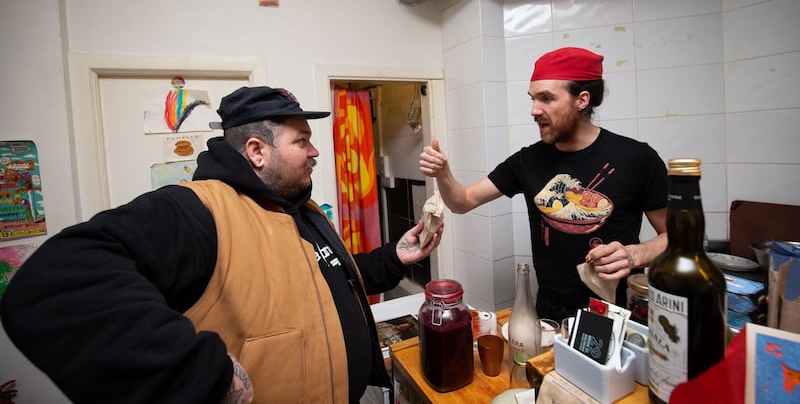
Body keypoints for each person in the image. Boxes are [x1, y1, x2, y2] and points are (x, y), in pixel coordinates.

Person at [1, 86, 443, 404]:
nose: (314, 152)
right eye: (301, 141)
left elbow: (325, 283)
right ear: (256, 151)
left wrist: (393, 258)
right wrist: (203, 377)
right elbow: (54, 285)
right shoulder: (197, 211)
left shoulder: (303, 210)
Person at [419, 47, 668, 322]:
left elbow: (678, 238)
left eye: (546, 98)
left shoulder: (637, 158)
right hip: (550, 309)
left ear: (582, 100)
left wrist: (636, 255)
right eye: (533, 98)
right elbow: (463, 201)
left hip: (619, 310)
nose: (534, 110)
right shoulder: (528, 160)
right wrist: (443, 173)